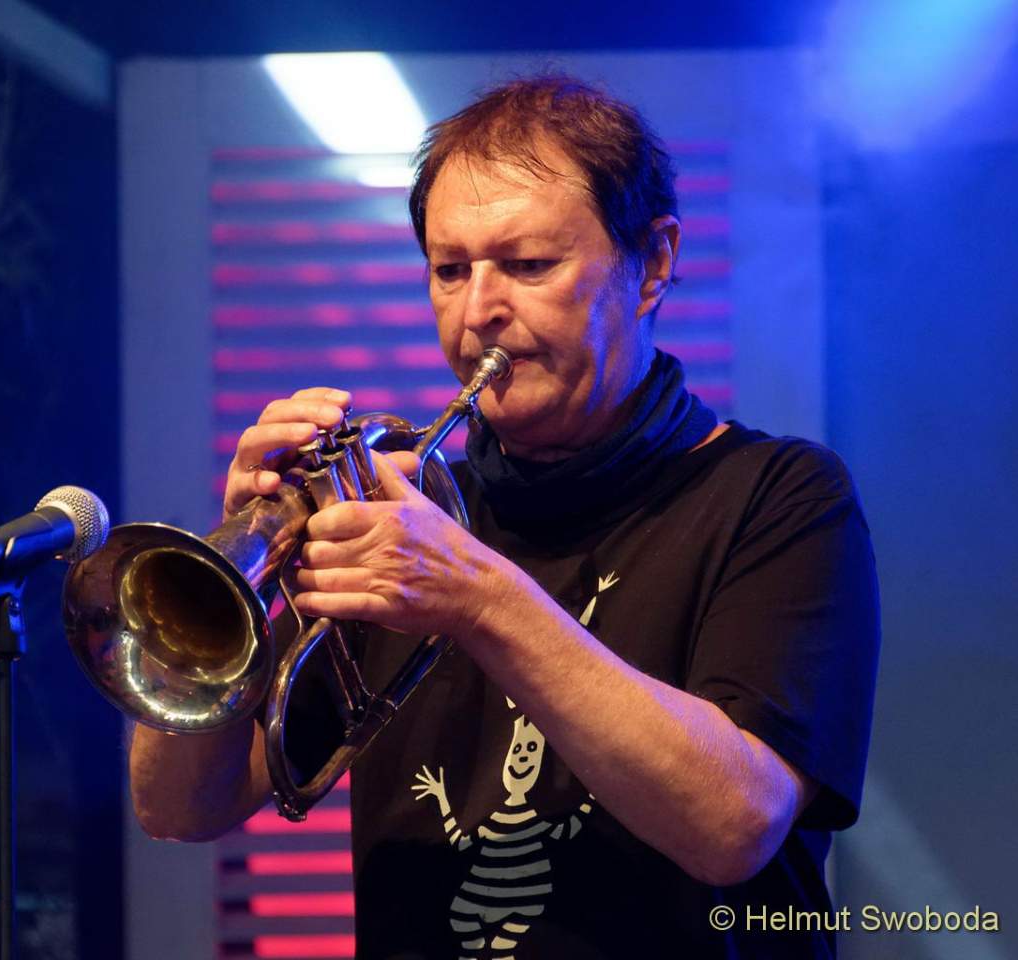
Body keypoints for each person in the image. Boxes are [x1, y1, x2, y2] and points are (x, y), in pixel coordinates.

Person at [129, 76, 880, 958]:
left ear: (653, 263)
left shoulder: (779, 496)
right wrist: (238, 575)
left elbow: (734, 825)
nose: (478, 310)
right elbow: (177, 808)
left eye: (528, 266)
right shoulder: (397, 518)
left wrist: (480, 598)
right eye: (449, 270)